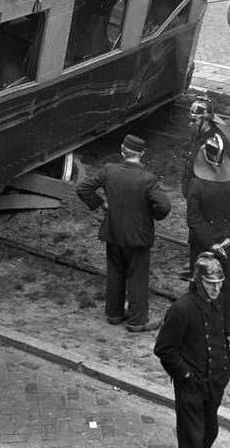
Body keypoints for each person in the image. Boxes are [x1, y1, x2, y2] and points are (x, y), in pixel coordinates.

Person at [75, 134, 171, 330]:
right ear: (141, 154)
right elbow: (164, 206)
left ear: (122, 150)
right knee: (137, 277)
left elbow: (83, 188)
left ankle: (114, 314)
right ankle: (137, 320)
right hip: (138, 237)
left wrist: (101, 203)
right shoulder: (147, 179)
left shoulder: (109, 171)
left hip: (113, 232)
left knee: (115, 272)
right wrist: (151, 214)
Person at [155, 252, 230, 448]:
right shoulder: (181, 309)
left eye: (219, 282)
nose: (216, 288)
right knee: (192, 440)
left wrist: (225, 367)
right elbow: (164, 349)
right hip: (191, 388)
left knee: (210, 433)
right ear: (198, 281)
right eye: (210, 283)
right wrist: (186, 375)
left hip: (214, 383)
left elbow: (222, 336)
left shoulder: (220, 301)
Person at [186, 134, 230, 334]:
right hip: (226, 242)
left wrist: (209, 243)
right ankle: (226, 326)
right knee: (225, 284)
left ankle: (198, 324)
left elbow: (194, 218)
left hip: (202, 243)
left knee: (199, 281)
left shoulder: (196, 185)